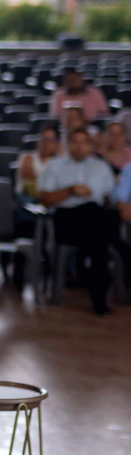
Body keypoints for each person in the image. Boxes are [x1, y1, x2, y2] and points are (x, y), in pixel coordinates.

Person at [39, 128, 131, 316]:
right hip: (68, 220)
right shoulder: (54, 166)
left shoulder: (101, 166)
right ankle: (123, 251)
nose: (79, 146)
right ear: (67, 144)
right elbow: (44, 200)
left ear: (90, 145)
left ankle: (100, 299)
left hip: (97, 221)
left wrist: (120, 206)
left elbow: (108, 199)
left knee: (101, 224)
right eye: (74, 141)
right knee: (96, 221)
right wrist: (70, 191)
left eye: (84, 142)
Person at [16, 125, 62, 202]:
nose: (46, 143)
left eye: (50, 140)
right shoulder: (27, 157)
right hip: (28, 198)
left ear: (57, 143)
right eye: (43, 139)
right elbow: (30, 185)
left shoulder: (60, 161)